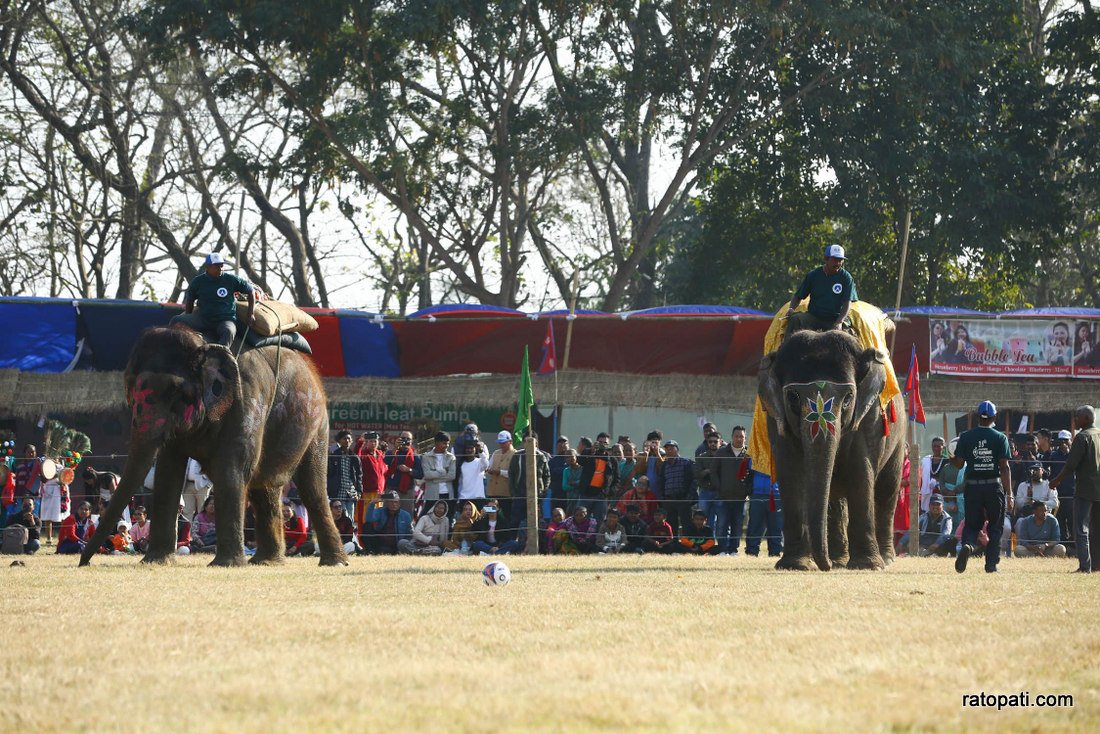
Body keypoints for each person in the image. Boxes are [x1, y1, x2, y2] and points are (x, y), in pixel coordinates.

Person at [952, 400, 1013, 573]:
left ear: (977, 416)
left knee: (972, 524)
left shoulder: (965, 437)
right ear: (994, 417)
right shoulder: (1000, 438)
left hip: (972, 487)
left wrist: (950, 457)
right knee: (995, 526)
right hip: (993, 487)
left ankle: (969, 546)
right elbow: (1004, 467)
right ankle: (991, 565)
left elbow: (958, 464)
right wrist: (1010, 494)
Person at [1050, 405, 1100, 573]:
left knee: (1081, 529)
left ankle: (1085, 566)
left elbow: (1070, 466)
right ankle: (1097, 565)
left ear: (1086, 418)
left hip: (1085, 490)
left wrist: (1056, 481)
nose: (1075, 420)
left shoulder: (1081, 437)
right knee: (1097, 529)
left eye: (1077, 416)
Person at [172, 252, 256, 347]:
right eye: (216, 266)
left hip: (224, 320)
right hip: (203, 318)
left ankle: (221, 356)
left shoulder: (231, 279)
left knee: (229, 331)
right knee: (176, 320)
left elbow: (250, 290)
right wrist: (188, 316)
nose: (220, 269)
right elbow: (190, 300)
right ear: (208, 267)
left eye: (221, 265)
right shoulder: (198, 281)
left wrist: (250, 313)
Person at [785, 243, 858, 338]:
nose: (838, 263)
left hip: (835, 319)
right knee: (795, 319)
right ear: (826, 259)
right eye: (835, 260)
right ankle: (786, 351)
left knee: (848, 336)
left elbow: (847, 303)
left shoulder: (846, 278)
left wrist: (839, 322)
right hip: (814, 317)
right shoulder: (813, 275)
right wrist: (791, 308)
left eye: (841, 260)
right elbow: (798, 296)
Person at [713, 427, 751, 555]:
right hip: (723, 496)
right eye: (737, 436)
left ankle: (734, 550)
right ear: (732, 436)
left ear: (745, 438)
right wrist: (719, 487)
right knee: (722, 524)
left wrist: (747, 490)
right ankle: (723, 549)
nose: (739, 439)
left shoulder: (749, 454)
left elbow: (751, 475)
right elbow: (713, 472)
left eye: (742, 436)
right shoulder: (722, 452)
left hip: (740, 498)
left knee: (737, 525)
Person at [507, 430, 550, 526]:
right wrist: (513, 493)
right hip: (519, 494)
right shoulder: (517, 456)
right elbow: (511, 474)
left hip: (536, 495)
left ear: (536, 443)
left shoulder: (541, 457)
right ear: (523, 443)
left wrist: (543, 491)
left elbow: (546, 476)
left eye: (532, 442)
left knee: (536, 521)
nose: (529, 444)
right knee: (516, 520)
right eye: (526, 441)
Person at [1046, 429, 1076, 551]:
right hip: (1058, 494)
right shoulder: (1053, 455)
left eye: (1066, 440)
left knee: (1073, 521)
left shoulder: (1074, 455)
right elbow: (1049, 471)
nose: (1063, 443)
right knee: (1060, 521)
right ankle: (1064, 546)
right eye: (1061, 441)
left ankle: (1074, 546)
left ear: (1070, 441)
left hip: (1072, 493)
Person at [659, 440, 695, 537]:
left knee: (686, 524)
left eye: (672, 448)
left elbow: (693, 480)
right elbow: (662, 482)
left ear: (677, 450)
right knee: (671, 525)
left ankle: (687, 546)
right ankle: (673, 546)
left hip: (683, 498)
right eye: (667, 449)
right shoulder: (664, 465)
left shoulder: (686, 463)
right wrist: (663, 498)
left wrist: (689, 496)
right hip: (669, 499)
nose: (669, 451)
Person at [745, 471, 783, 557]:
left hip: (775, 494)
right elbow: (750, 467)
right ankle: (752, 551)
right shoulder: (755, 457)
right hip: (757, 493)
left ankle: (775, 552)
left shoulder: (778, 457)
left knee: (775, 525)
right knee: (755, 524)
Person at [384, 430, 421, 518]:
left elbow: (420, 474)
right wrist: (395, 448)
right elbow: (386, 461)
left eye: (408, 439)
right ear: (398, 439)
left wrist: (409, 470)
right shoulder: (391, 452)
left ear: (411, 441)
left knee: (406, 517)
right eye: (403, 438)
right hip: (391, 489)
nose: (405, 441)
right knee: (386, 515)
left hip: (407, 492)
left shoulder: (415, 456)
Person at [328, 430, 363, 522]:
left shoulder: (354, 457)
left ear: (351, 441)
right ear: (339, 441)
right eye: (344, 438)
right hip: (338, 492)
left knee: (350, 519)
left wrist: (359, 491)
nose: (347, 440)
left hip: (350, 492)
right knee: (340, 518)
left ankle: (349, 536)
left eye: (349, 439)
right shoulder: (334, 456)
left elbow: (359, 475)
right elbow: (329, 474)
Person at [362, 491, 412, 555]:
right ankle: (369, 552)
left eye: (396, 502)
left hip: (398, 544)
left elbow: (409, 533)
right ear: (387, 503)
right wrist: (372, 503)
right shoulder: (381, 511)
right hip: (381, 543)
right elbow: (368, 520)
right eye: (391, 502)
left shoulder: (406, 515)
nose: (394, 504)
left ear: (399, 504)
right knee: (367, 526)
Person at [420, 432, 456, 508]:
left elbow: (452, 476)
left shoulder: (451, 457)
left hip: (447, 494)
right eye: (444, 443)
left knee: (447, 518)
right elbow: (427, 475)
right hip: (432, 494)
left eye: (447, 443)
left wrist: (435, 479)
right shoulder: (426, 457)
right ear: (436, 443)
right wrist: (443, 472)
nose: (446, 446)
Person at [456, 440, 490, 506]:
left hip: (478, 498)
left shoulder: (479, 462)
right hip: (464, 498)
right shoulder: (461, 464)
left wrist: (480, 451)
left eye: (471, 448)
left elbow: (486, 465)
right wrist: (458, 499)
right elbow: (460, 483)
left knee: (482, 515)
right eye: (467, 448)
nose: (469, 450)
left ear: (475, 449)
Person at [486, 430, 516, 505]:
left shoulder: (516, 454)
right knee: (491, 512)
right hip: (492, 493)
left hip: (506, 494)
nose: (501, 444)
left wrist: (500, 472)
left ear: (510, 441)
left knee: (506, 515)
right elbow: (488, 467)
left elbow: (515, 473)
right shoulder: (496, 452)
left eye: (504, 442)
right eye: (500, 442)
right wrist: (489, 470)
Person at [919, 437, 949, 513]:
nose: (936, 448)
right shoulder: (927, 460)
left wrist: (937, 482)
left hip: (941, 491)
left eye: (938, 446)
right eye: (934, 446)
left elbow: (947, 477)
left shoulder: (947, 461)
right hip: (928, 491)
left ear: (943, 447)